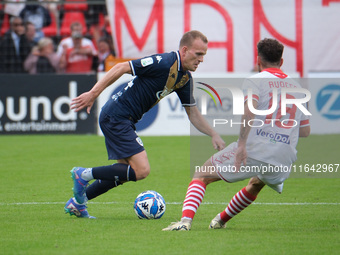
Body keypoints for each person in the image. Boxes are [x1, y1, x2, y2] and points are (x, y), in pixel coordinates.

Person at [64, 30, 226, 218]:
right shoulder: (164, 62)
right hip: (116, 115)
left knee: (123, 173)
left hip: (124, 119)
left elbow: (193, 113)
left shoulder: (184, 78)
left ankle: (78, 203)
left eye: (203, 55)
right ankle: (83, 174)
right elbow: (121, 68)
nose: (201, 60)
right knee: (141, 170)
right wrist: (93, 93)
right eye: (198, 54)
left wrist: (213, 134)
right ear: (185, 50)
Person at [162, 38, 311, 231]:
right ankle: (219, 221)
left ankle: (184, 222)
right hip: (284, 156)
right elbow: (305, 132)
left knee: (201, 175)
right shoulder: (299, 89)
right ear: (281, 62)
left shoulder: (255, 81)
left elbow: (250, 110)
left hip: (256, 148)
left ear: (259, 60)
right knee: (256, 183)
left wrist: (241, 145)